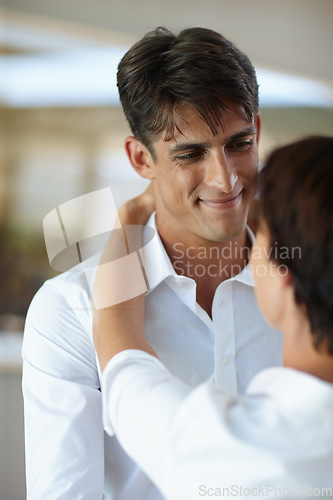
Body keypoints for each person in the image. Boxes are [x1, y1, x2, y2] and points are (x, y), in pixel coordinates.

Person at [22, 27, 282, 499]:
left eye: (239, 144)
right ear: (140, 158)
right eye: (190, 153)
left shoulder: (308, 291)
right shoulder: (70, 310)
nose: (225, 180)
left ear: (258, 131)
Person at [94, 136, 333, 500]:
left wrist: (130, 215)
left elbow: (121, 346)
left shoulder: (232, 449)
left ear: (283, 272)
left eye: (262, 237)